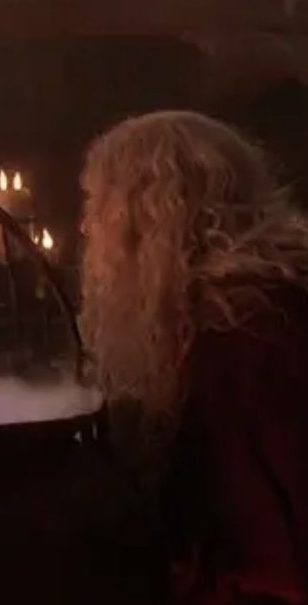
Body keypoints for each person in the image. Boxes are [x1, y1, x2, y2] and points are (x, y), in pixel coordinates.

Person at [79, 110, 308, 604]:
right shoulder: (252, 304)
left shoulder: (243, 330)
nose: (87, 227)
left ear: (142, 217)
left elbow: (270, 542)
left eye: (99, 207)